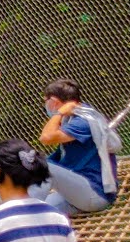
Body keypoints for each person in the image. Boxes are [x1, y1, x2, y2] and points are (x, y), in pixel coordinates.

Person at [35, 78, 120, 216]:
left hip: (95, 193)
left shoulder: (83, 121)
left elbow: (46, 137)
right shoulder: (71, 119)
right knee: (33, 213)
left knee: (39, 163)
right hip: (76, 195)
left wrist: (59, 113)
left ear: (54, 101)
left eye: (46, 100)